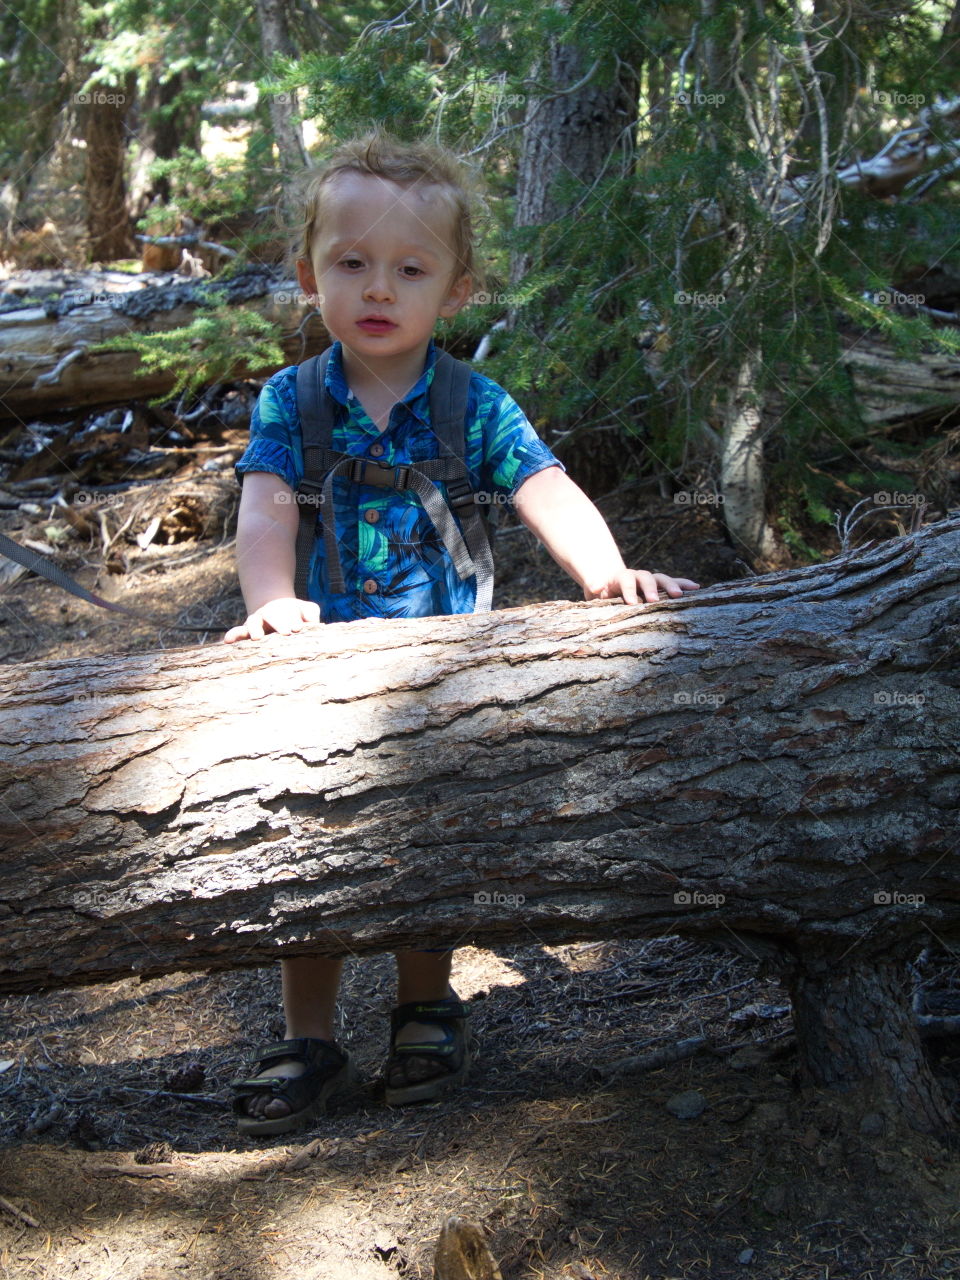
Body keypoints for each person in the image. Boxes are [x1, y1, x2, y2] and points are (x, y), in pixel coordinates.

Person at [224, 128, 700, 1135]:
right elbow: (266, 505)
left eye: (409, 268)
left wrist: (606, 573)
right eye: (351, 263)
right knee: (309, 847)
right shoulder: (294, 399)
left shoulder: (471, 404)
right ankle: (307, 1032)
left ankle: (422, 1008)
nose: (378, 287)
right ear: (310, 276)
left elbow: (546, 486)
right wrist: (268, 599)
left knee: (422, 847)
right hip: (321, 670)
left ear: (458, 288)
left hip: (444, 670)